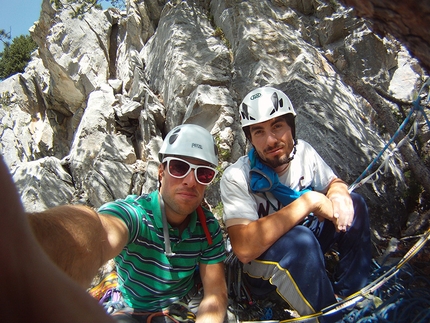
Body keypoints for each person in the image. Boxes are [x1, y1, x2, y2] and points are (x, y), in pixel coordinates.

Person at [2, 124, 227, 323]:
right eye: (179, 167)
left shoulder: (208, 230)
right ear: (161, 172)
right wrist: (21, 250)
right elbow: (100, 230)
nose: (190, 180)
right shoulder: (136, 215)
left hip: (181, 305)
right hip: (132, 308)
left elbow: (215, 294)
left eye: (204, 174)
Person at [220, 86, 371, 323]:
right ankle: (332, 318)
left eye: (277, 126)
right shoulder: (236, 177)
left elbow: (333, 183)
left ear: (292, 127)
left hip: (305, 245)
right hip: (260, 269)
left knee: (355, 205)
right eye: (258, 132)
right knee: (300, 240)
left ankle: (353, 296)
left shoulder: (305, 154)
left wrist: (339, 192)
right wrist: (309, 201)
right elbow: (244, 249)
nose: (270, 140)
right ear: (250, 139)